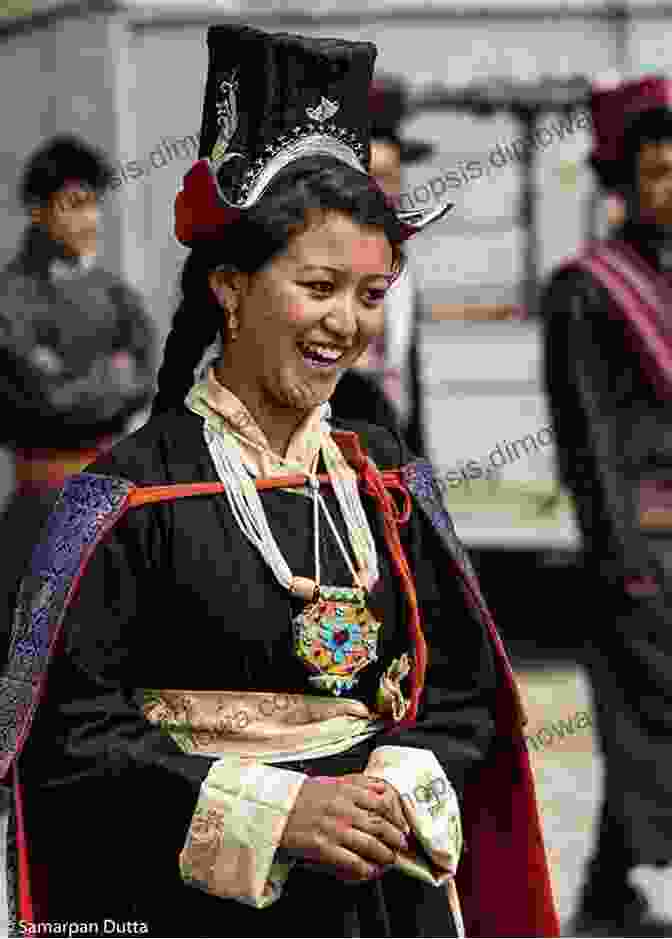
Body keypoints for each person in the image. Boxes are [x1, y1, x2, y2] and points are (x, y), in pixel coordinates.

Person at [0, 26, 558, 938]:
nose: (345, 322)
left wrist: (393, 781)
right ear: (230, 285)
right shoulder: (125, 500)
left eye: (370, 296)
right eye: (319, 285)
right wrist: (280, 814)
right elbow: (68, 741)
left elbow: (465, 694)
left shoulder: (388, 480)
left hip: (386, 894)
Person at [541, 75, 672, 937]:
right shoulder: (584, 290)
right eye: (660, 171)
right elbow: (589, 448)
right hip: (644, 546)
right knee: (652, 719)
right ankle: (627, 886)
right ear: (623, 184)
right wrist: (626, 562)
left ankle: (605, 896)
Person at [0, 134, 156, 666]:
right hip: (42, 501)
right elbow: (47, 399)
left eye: (93, 204)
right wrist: (109, 378)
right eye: (73, 205)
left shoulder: (114, 293)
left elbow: (146, 373)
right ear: (38, 211)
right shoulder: (10, 299)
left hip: (113, 499)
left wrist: (87, 379)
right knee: (39, 654)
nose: (89, 219)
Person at [330, 75, 437, 456]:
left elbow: (407, 381)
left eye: (392, 179)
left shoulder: (400, 269)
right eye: (371, 178)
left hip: (394, 455)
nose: (383, 194)